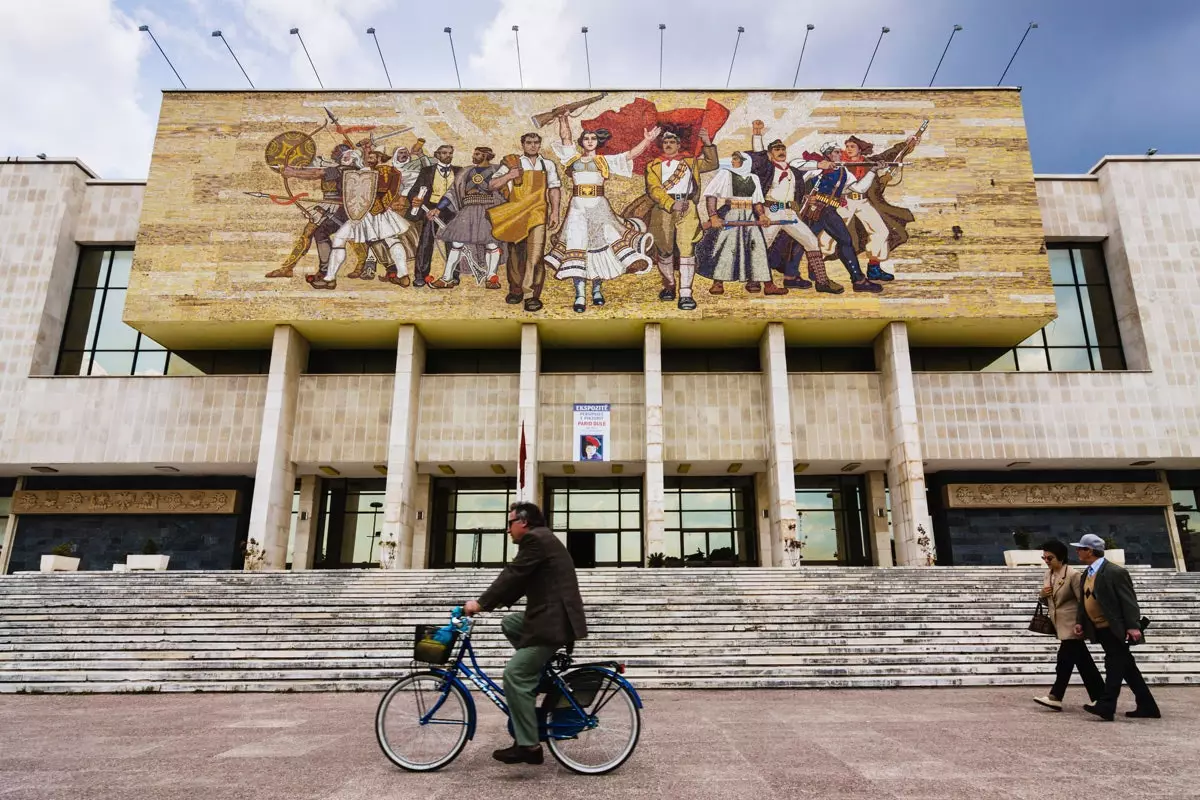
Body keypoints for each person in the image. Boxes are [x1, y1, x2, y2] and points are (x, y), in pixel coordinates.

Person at [463, 502, 588, 765]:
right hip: (552, 618)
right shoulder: (542, 539)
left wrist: (480, 603)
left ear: (523, 523)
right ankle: (538, 676)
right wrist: (489, 606)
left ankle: (529, 746)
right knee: (511, 623)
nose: (507, 529)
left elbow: (512, 575)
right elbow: (519, 582)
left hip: (552, 623)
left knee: (515, 674)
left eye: (509, 523)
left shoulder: (535, 539)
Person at [547, 113, 659, 313]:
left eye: (593, 139)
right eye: (586, 139)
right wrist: (563, 118)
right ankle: (580, 294)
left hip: (599, 207)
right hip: (578, 208)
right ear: (581, 142)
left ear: (597, 142)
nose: (590, 141)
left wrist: (647, 140)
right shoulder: (572, 158)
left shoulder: (604, 161)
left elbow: (630, 155)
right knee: (578, 245)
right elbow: (565, 137)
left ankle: (597, 289)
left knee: (600, 246)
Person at [1072, 533, 1161, 721]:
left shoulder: (1114, 572)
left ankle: (1106, 705)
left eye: (1080, 548)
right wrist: (1080, 621)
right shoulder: (1086, 574)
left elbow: (1128, 601)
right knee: (1126, 666)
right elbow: (1084, 601)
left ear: (1090, 551)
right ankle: (1147, 705)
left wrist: (1133, 626)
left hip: (1114, 627)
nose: (1077, 551)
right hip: (1099, 627)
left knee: (1114, 664)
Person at [643, 129, 719, 310]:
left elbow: (712, 163)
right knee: (664, 249)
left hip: (687, 208)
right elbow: (654, 189)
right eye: (665, 142)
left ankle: (686, 294)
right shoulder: (653, 165)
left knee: (687, 248)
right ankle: (669, 286)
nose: (668, 145)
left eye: (672, 142)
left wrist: (707, 143)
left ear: (678, 145)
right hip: (663, 209)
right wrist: (670, 204)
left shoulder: (691, 162)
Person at [695, 151, 787, 297]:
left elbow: (756, 201)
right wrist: (713, 216)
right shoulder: (725, 174)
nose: (733, 161)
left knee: (757, 248)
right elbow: (711, 195)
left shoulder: (754, 178)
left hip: (750, 216)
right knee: (727, 247)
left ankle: (768, 285)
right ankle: (718, 282)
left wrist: (762, 215)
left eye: (736, 159)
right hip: (731, 214)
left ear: (745, 161)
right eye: (733, 158)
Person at [488, 133, 562, 312]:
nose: (533, 146)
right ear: (522, 144)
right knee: (515, 254)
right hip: (516, 214)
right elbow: (492, 185)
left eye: (536, 143)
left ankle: (531, 295)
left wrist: (555, 213)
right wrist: (509, 176)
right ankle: (516, 290)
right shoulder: (512, 162)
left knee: (535, 256)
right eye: (529, 143)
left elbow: (554, 189)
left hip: (538, 214)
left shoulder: (548, 164)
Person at [1032, 539, 1104, 711]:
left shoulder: (1073, 574)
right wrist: (1042, 595)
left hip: (1072, 625)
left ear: (1061, 557)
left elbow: (1083, 601)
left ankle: (1055, 696)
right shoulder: (1048, 575)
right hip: (1060, 625)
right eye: (1044, 558)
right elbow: (1048, 600)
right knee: (1084, 663)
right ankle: (1102, 697)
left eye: (1050, 558)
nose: (1047, 561)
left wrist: (1081, 623)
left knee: (1064, 662)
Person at [429, 147, 507, 289]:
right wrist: (438, 208)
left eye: (477, 154)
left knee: (492, 244)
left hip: (489, 211)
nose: (474, 156)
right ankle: (447, 278)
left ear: (486, 156)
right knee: (457, 244)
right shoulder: (466, 171)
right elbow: (452, 192)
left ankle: (491, 278)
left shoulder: (498, 170)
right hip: (468, 211)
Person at [406, 145, 460, 287]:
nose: (447, 155)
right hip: (431, 210)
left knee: (454, 243)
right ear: (437, 155)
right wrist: (416, 199)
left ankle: (454, 275)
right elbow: (413, 192)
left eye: (450, 153)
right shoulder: (427, 171)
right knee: (426, 242)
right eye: (444, 153)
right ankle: (420, 276)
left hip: (452, 211)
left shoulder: (459, 171)